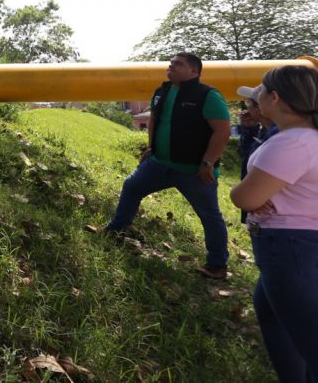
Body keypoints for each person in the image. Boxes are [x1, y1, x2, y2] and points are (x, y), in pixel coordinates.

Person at [103, 52, 232, 278]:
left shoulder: (208, 95)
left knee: (210, 216)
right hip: (159, 164)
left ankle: (217, 265)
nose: (171, 67)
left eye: (178, 64)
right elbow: (155, 121)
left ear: (194, 71)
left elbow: (222, 131)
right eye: (170, 64)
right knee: (132, 186)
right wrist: (151, 147)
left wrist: (208, 162)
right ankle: (116, 230)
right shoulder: (161, 92)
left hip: (194, 171)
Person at [230, 65, 318, 381]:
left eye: (260, 93)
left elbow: (245, 198)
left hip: (289, 248)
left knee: (310, 340)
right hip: (293, 245)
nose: (254, 101)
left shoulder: (291, 143)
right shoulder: (302, 138)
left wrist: (246, 191)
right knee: (272, 314)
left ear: (275, 97)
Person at [235, 84, 280, 222]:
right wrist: (249, 130)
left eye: (249, 103)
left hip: (273, 214)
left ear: (259, 108)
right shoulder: (263, 130)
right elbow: (247, 155)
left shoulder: (279, 136)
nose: (247, 107)